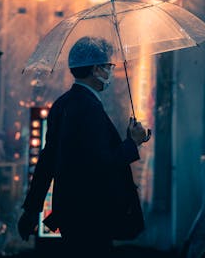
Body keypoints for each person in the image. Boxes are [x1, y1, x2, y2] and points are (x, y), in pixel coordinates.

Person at [18, 36, 151, 257]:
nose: (110, 71)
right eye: (108, 65)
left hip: (71, 211)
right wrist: (132, 143)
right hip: (92, 213)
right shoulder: (88, 109)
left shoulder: (63, 104)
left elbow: (47, 159)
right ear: (95, 69)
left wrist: (32, 208)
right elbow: (101, 165)